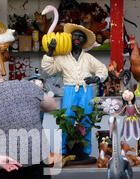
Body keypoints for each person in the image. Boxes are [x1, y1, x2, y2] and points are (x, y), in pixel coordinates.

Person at [41, 23, 108, 164]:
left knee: (87, 119)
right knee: (68, 119)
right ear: (69, 38)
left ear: (84, 41)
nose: (77, 38)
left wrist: (97, 78)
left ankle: (84, 151)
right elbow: (49, 69)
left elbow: (102, 68)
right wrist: (50, 53)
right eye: (75, 35)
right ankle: (66, 150)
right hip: (70, 90)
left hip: (86, 90)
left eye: (81, 36)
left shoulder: (88, 58)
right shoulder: (62, 57)